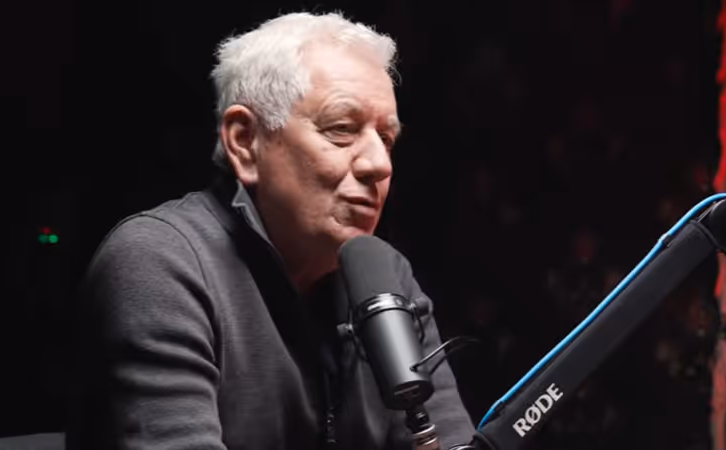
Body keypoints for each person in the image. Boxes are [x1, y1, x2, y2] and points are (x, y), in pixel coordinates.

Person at [67, 11, 475, 450]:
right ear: (245, 141)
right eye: (341, 129)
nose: (380, 164)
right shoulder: (159, 262)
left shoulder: (385, 275)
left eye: (387, 140)